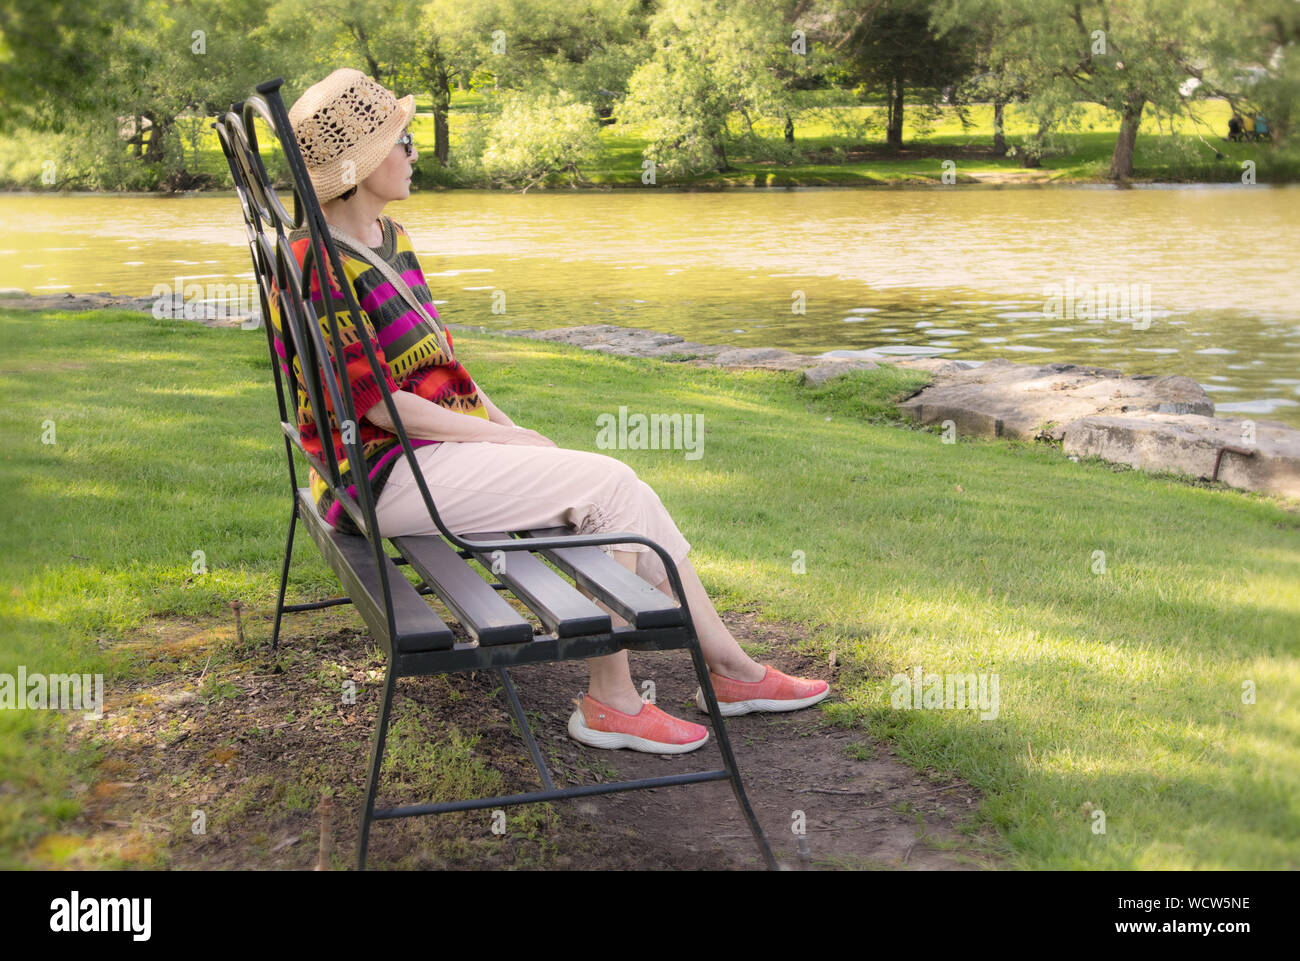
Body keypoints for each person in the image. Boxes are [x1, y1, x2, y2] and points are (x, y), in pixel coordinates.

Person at [280, 68, 829, 755]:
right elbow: (380, 406)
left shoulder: (390, 237)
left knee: (633, 496)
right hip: (388, 476)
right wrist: (500, 438)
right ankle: (613, 701)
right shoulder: (321, 263)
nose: (416, 155)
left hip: (417, 461)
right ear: (359, 166)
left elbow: (442, 371)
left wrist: (506, 428)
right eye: (405, 143)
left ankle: (733, 672)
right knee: (610, 488)